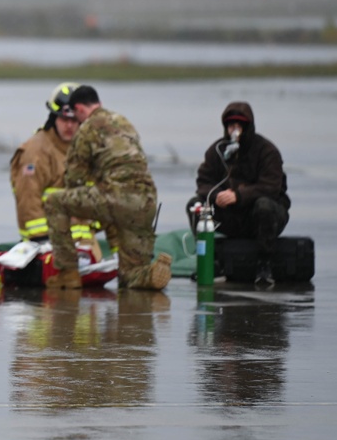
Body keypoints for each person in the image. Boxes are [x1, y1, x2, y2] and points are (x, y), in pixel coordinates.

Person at [43, 85, 172, 290]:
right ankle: (149, 275)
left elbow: (75, 179)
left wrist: (79, 212)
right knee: (130, 273)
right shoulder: (124, 122)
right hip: (146, 201)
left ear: (79, 109)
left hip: (115, 198)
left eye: (76, 116)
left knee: (54, 202)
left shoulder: (87, 128)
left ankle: (67, 273)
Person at [187, 101, 289, 285]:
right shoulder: (217, 150)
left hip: (261, 217)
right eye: (231, 125)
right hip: (230, 216)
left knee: (264, 205)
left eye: (239, 125)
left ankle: (264, 264)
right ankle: (212, 263)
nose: (235, 129)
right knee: (196, 205)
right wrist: (217, 194)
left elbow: (271, 186)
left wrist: (238, 195)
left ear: (248, 127)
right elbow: (203, 181)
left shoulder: (267, 151)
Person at [9, 82, 93, 244]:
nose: (69, 125)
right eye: (63, 119)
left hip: (83, 243)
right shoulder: (36, 151)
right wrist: (42, 240)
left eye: (74, 120)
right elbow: (28, 198)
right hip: (47, 245)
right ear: (54, 117)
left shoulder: (85, 149)